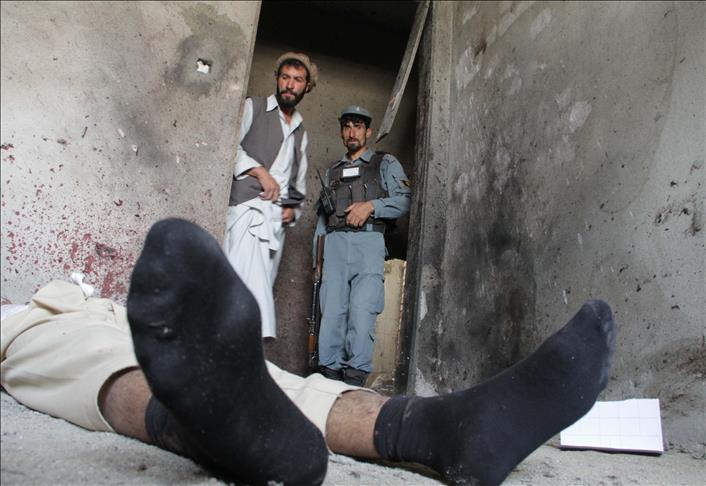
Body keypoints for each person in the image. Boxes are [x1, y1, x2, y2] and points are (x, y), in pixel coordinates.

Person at [1, 218, 616, 486]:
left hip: (101, 309)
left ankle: (446, 429)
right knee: (79, 354)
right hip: (28, 321)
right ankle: (200, 427)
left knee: (269, 383)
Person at [313, 106, 412, 386]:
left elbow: (406, 199)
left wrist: (371, 206)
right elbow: (321, 221)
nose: (351, 132)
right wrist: (316, 261)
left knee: (361, 313)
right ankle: (329, 382)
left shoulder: (384, 163)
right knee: (331, 315)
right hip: (334, 246)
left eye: (357, 126)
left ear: (368, 132)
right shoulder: (333, 172)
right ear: (341, 133)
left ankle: (354, 382)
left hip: (368, 243)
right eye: (346, 127)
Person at [224, 51, 317, 339]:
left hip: (275, 223)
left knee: (262, 282)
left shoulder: (301, 132)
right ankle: (234, 342)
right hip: (247, 208)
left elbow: (298, 179)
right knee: (238, 284)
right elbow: (227, 145)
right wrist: (258, 171)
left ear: (307, 87)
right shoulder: (254, 107)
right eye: (285, 77)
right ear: (277, 79)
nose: (290, 84)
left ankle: (242, 348)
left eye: (297, 80)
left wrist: (292, 208)